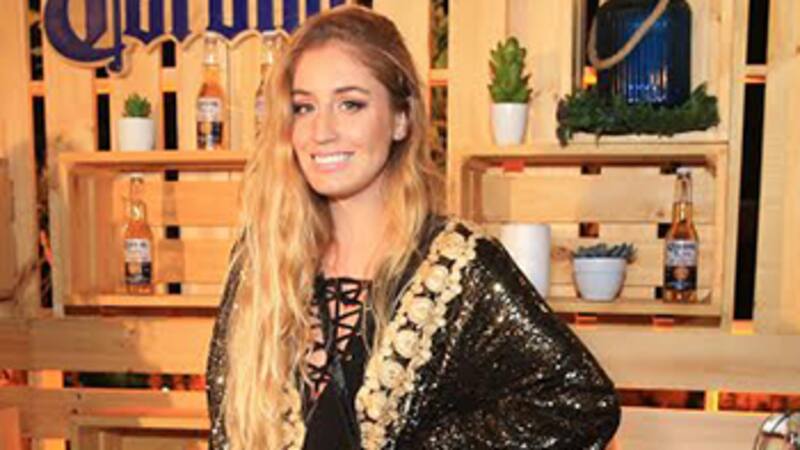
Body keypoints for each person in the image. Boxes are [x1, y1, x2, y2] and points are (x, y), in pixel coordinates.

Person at [206, 6, 621, 450]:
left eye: (350, 104)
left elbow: (581, 402)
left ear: (401, 119)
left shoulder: (459, 265)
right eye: (304, 107)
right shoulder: (263, 258)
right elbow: (226, 427)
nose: (321, 131)